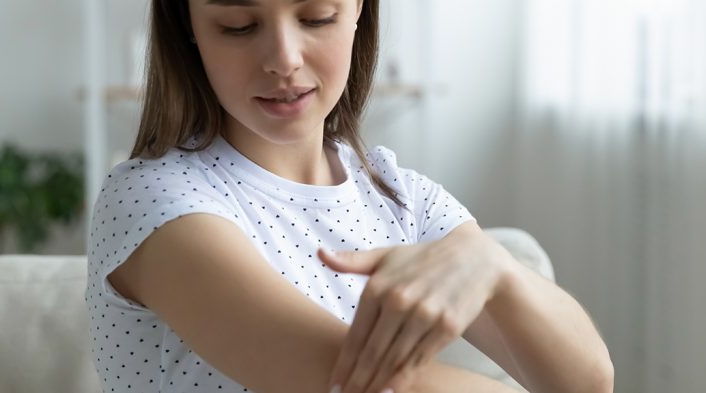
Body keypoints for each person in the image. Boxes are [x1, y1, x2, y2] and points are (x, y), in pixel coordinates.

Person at [84, 0, 614, 392]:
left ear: (358, 10)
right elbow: (351, 382)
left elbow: (587, 381)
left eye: (316, 16)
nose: (283, 59)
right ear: (191, 29)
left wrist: (492, 267)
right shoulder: (151, 199)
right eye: (238, 26)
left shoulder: (399, 195)